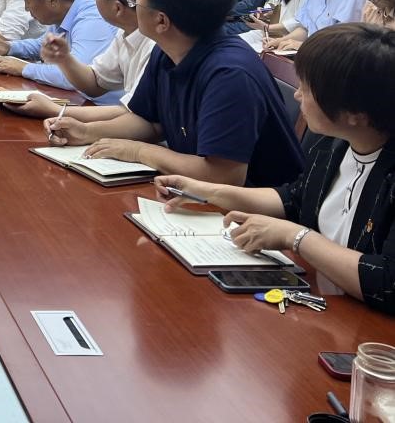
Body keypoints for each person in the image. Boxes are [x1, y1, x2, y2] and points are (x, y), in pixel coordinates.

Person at [155, 23, 395, 315]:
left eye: (307, 89)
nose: (297, 95)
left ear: (356, 113)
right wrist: (207, 191)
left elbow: (387, 282)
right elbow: (295, 199)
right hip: (327, 302)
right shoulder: (333, 143)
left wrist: (295, 237)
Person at [45, 0, 304, 187]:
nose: (132, 5)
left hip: (250, 209)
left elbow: (224, 175)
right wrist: (86, 132)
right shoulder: (166, 51)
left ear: (161, 21)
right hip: (193, 192)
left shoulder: (229, 74)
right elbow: (149, 121)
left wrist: (138, 151)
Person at [5, 0, 153, 120]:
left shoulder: (153, 45)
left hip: (106, 114)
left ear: (117, 8)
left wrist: (57, 112)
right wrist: (64, 59)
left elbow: (136, 116)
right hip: (97, 111)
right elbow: (95, 82)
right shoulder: (125, 34)